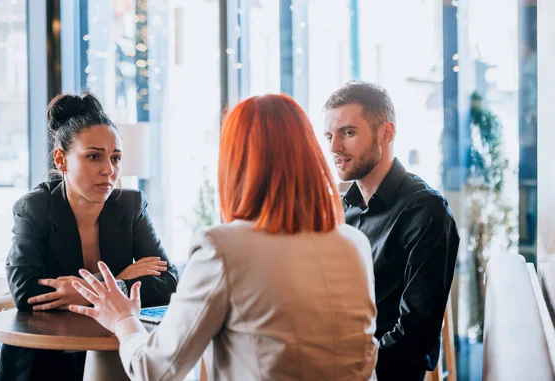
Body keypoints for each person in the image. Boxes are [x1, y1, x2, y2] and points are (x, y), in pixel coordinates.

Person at [69, 94, 378, 381]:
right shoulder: (354, 243)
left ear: (237, 163)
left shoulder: (224, 248)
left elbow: (154, 370)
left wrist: (123, 319)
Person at [0, 93, 178, 381]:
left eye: (115, 158)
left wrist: (90, 288)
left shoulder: (129, 205)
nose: (109, 170)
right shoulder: (35, 208)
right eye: (94, 156)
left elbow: (169, 282)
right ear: (61, 160)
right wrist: (118, 280)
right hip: (42, 362)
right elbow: (25, 293)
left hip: (111, 357)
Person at [323, 81, 460, 381]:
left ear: (386, 133)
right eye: (330, 136)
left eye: (348, 133)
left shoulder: (426, 211)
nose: (334, 147)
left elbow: (415, 334)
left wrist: (352, 372)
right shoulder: (343, 210)